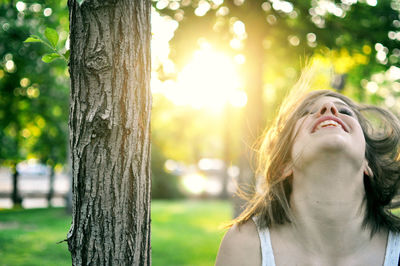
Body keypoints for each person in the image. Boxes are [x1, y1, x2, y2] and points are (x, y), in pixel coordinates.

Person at [215, 72, 400, 266]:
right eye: (307, 113)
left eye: (345, 112)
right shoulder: (245, 245)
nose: (328, 109)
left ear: (367, 164)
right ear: (284, 166)